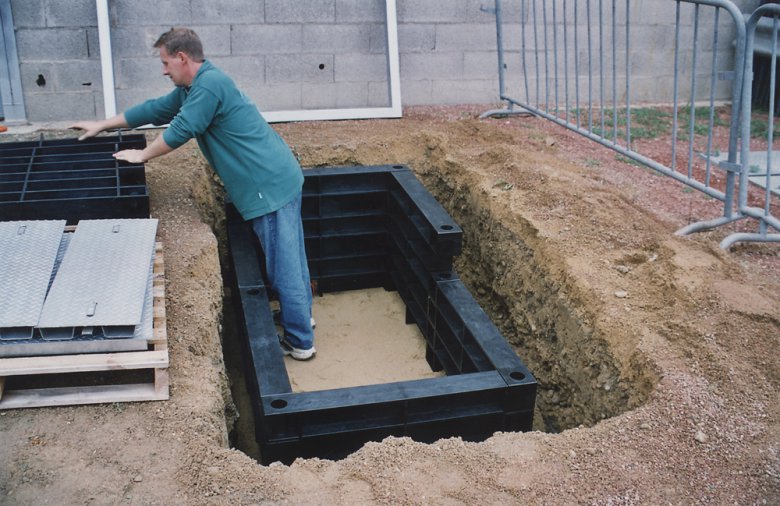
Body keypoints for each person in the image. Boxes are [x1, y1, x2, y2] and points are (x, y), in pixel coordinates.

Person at [71, 27, 316, 360]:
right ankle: (300, 318)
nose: (163, 69)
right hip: (277, 178)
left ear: (182, 58)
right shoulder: (193, 87)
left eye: (166, 62)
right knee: (291, 259)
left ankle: (300, 341)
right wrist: (103, 124)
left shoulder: (208, 88)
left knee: (283, 266)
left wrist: (142, 155)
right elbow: (154, 110)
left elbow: (182, 129)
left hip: (267, 187)